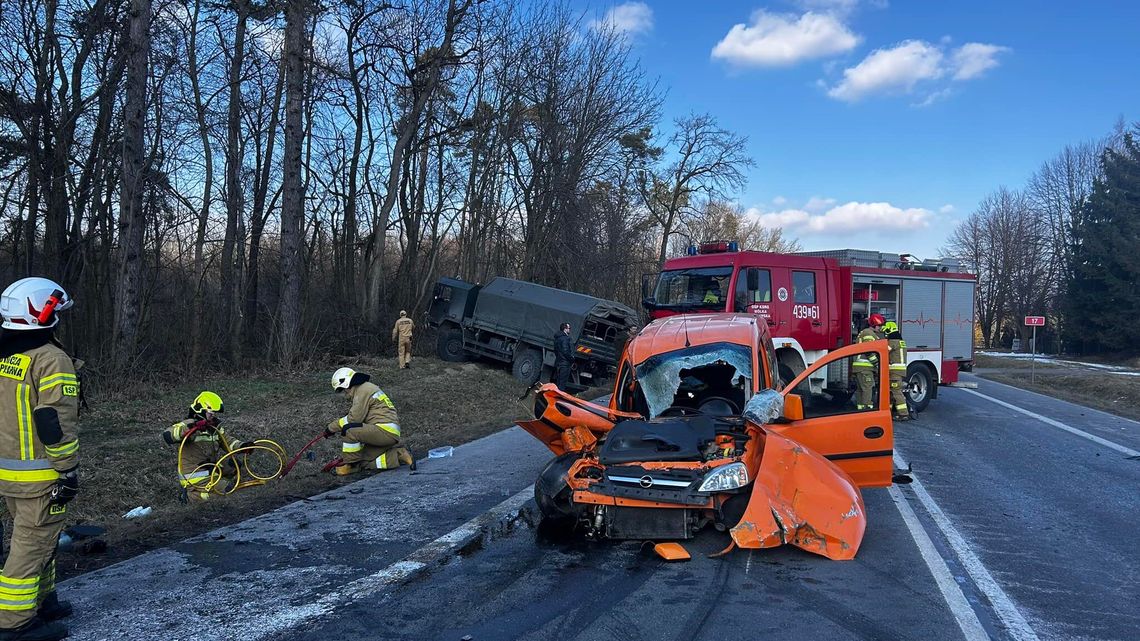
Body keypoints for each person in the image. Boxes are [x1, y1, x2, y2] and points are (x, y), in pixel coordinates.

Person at [0, 277, 80, 641]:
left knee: (43, 537)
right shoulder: (50, 358)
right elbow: (55, 423)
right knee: (31, 546)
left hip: (9, 471)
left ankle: (44, 600)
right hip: (41, 474)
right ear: (43, 313)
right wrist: (67, 470)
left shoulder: (7, 354)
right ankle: (14, 623)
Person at [163, 392, 251, 501]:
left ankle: (216, 485)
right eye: (211, 411)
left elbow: (228, 442)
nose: (213, 414)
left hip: (210, 468)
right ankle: (191, 497)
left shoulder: (213, 427)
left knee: (233, 464)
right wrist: (191, 428)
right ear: (201, 409)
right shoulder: (189, 424)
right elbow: (168, 434)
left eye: (215, 412)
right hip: (195, 475)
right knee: (229, 491)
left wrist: (243, 446)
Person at [325, 367, 414, 474]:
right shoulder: (366, 388)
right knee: (364, 461)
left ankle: (350, 465)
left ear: (346, 383)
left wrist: (331, 428)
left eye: (343, 390)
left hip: (383, 431)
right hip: (389, 432)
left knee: (348, 430)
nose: (345, 393)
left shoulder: (362, 390)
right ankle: (399, 455)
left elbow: (353, 419)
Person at [853, 313, 886, 410]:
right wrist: (878, 364)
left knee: (861, 389)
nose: (880, 328)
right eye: (879, 326)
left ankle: (861, 408)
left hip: (859, 367)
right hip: (865, 367)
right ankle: (867, 408)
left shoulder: (865, 332)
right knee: (867, 388)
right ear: (874, 325)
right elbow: (869, 351)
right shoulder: (869, 334)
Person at [882, 321, 911, 421]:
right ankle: (888, 412)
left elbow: (883, 351)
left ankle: (904, 414)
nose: (885, 335)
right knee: (891, 392)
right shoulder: (900, 341)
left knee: (896, 391)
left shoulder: (893, 342)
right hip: (899, 371)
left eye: (886, 332)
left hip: (895, 371)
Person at [552, 322, 573, 391]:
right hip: (565, 364)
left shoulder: (557, 338)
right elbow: (565, 351)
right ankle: (558, 399)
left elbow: (555, 350)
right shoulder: (565, 339)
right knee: (562, 384)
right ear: (565, 329)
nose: (570, 330)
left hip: (558, 362)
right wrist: (571, 359)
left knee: (558, 382)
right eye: (569, 328)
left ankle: (555, 397)